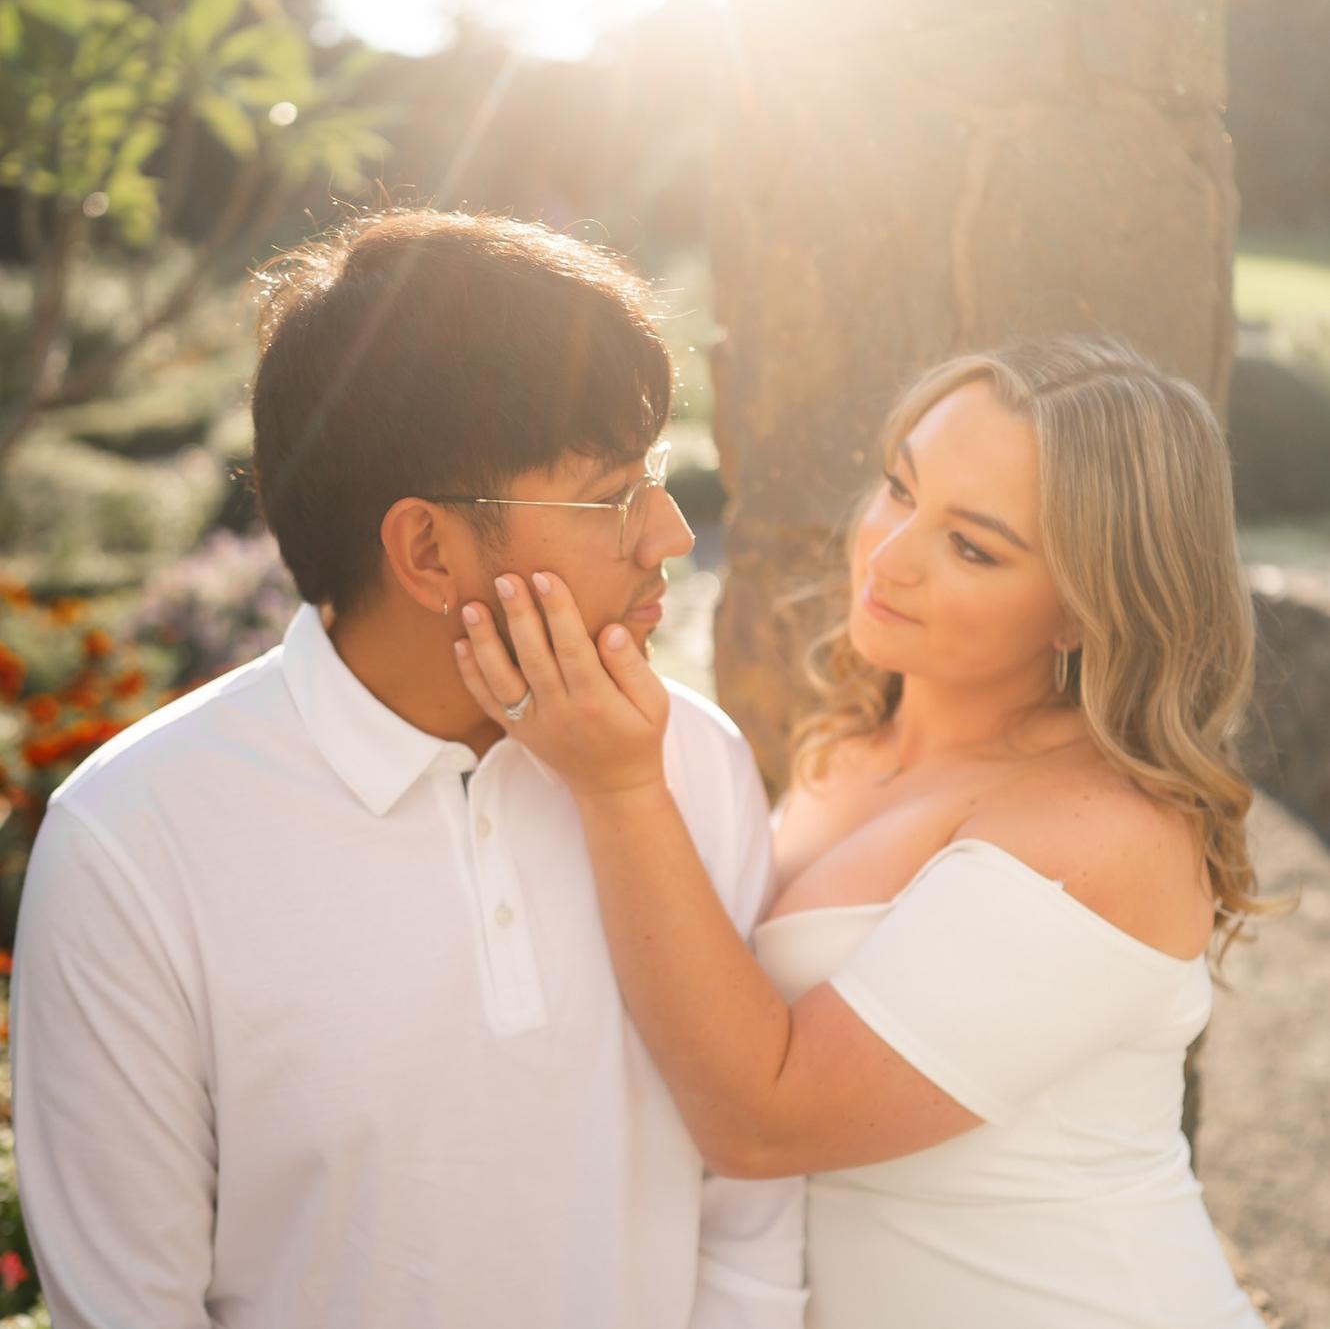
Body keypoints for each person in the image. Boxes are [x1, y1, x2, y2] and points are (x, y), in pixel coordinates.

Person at [11, 210, 807, 1329]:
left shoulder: (692, 760)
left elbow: (750, 1222)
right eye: (611, 496)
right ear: (427, 551)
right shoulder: (134, 837)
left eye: (657, 476)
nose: (670, 534)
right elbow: (127, 1305)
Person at [454, 335, 1269, 1328]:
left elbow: (762, 1123)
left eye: (971, 546)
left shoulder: (1101, 830)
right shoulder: (852, 746)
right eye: (898, 487)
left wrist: (620, 786)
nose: (887, 554)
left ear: (1083, 609)